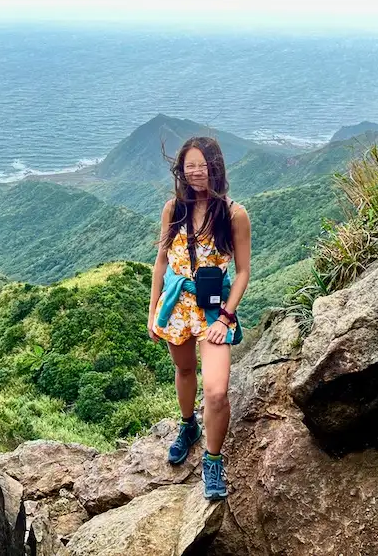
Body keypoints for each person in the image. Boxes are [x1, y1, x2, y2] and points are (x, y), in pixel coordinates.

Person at [147, 135, 251, 501]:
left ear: (216, 167)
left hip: (212, 311)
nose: (195, 172)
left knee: (217, 391)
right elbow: (161, 261)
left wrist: (225, 317)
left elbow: (242, 273)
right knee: (185, 370)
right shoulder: (173, 209)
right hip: (176, 306)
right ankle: (188, 425)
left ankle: (213, 460)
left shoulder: (234, 214)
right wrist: (153, 309)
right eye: (189, 165)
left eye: (202, 165)